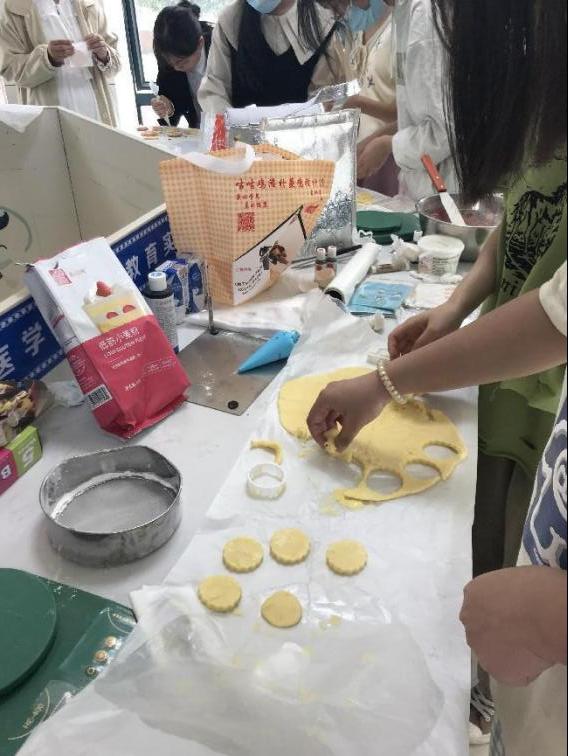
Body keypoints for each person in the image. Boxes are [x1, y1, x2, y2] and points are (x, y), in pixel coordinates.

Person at [389, 0, 566, 738]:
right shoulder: (547, 122)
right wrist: (454, 310)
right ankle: (486, 694)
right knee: (487, 534)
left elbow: (551, 323)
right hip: (510, 389)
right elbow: (521, 250)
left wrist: (554, 617)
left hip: (541, 403)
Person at [198, 0, 341, 113]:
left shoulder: (322, 25)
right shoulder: (231, 20)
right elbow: (214, 88)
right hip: (239, 138)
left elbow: (323, 101)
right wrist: (228, 128)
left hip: (300, 137)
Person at [0, 0, 120, 127]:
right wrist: (48, 58)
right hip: (51, 123)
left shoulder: (90, 3)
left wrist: (104, 54)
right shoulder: (12, 8)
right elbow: (10, 69)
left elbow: (116, 64)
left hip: (99, 117)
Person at [151, 1, 213, 129]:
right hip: (199, 132)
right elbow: (170, 120)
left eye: (182, 62)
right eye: (171, 63)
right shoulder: (168, 63)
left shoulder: (224, 51)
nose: (176, 68)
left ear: (200, 44)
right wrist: (168, 109)